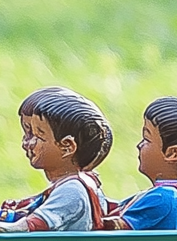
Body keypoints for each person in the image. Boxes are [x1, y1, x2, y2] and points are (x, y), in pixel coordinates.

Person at [0, 92, 113, 232]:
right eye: (26, 133)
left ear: (67, 147)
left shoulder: (72, 189)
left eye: (36, 135)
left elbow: (34, 224)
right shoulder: (75, 184)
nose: (25, 143)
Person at [105, 97, 177, 231]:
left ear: (172, 153)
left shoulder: (163, 197)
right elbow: (121, 207)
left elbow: (117, 228)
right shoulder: (176, 193)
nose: (139, 145)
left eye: (146, 140)